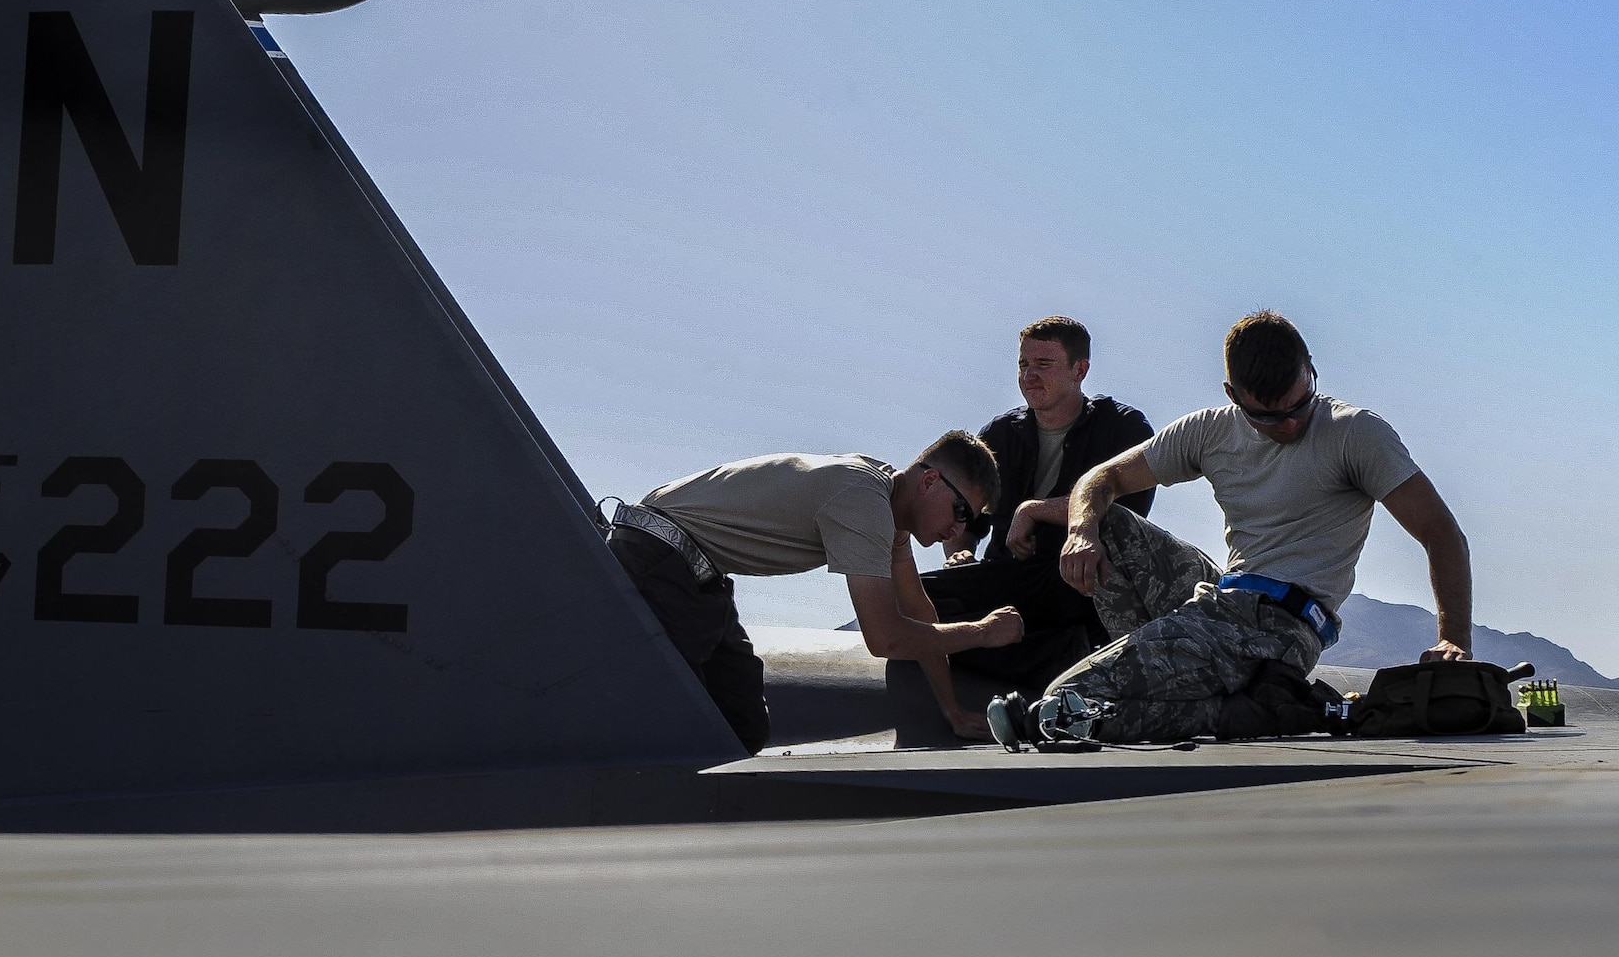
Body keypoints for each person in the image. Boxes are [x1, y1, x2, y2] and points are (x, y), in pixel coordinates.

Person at [993, 310, 1472, 745]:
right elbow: (1104, 478)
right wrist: (1080, 529)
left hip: (1282, 624)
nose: (1287, 425)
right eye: (1266, 415)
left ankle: (1254, 710)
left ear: (1310, 369)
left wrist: (1453, 639)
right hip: (1219, 601)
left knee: (1062, 704)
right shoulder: (1210, 430)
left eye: (1297, 406)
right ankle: (1181, 675)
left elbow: (1441, 533)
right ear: (1233, 394)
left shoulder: (1356, 433)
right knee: (1110, 522)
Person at [607, 432, 1023, 752]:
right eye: (961, 511)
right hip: (658, 558)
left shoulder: (886, 504)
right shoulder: (863, 501)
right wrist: (983, 632)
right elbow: (886, 638)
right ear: (930, 480)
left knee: (742, 722)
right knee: (672, 724)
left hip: (699, 575)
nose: (958, 530)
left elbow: (918, 611)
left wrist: (952, 711)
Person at [918, 316, 1154, 696]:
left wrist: (1032, 510)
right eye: (1023, 365)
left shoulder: (1122, 427)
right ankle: (1050, 654)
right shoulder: (1000, 434)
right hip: (1009, 575)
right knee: (912, 598)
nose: (1029, 375)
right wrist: (960, 552)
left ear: (1080, 370)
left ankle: (1034, 649)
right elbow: (968, 518)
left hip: (1077, 578)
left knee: (1084, 582)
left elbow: (1126, 510)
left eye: (1043, 365)